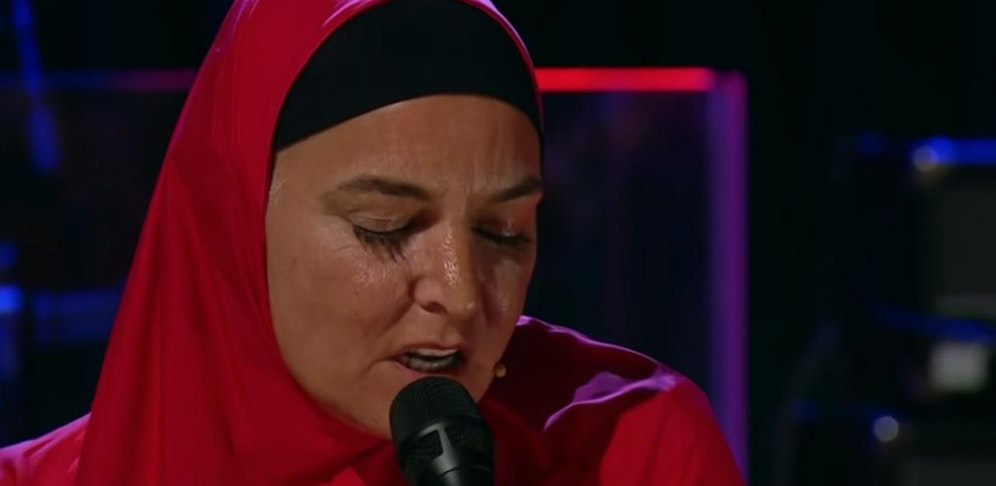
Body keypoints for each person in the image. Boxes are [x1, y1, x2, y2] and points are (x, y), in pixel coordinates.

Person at [0, 0, 745, 484]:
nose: (461, 293)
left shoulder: (628, 452)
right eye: (383, 227)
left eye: (503, 233)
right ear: (237, 226)